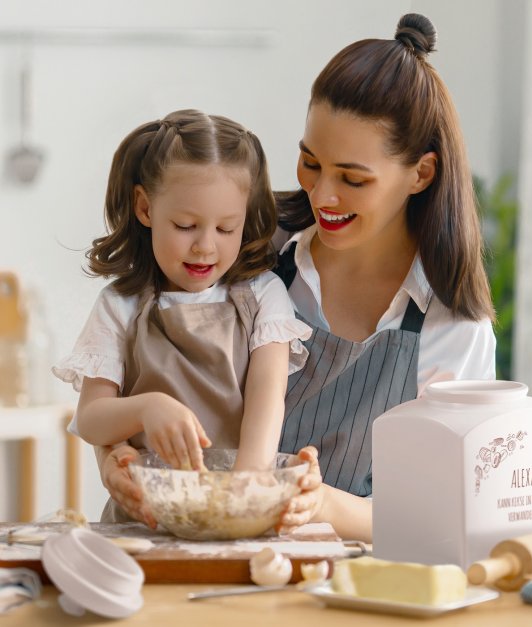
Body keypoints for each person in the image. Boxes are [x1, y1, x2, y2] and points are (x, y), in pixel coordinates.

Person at [96, 13, 496, 540]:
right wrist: (113, 461)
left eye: (353, 179)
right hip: (187, 544)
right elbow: (137, 364)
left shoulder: (453, 327)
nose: (322, 195)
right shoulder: (248, 253)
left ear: (420, 174)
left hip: (346, 582)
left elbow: (444, 514)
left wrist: (324, 502)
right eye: (310, 162)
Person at [53, 109, 311, 521]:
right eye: (186, 225)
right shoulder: (120, 305)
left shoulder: (264, 297)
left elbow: (267, 403)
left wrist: (243, 494)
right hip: (142, 519)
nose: (205, 247)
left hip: (233, 510)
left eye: (227, 229)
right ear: (145, 208)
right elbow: (90, 420)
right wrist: (146, 408)